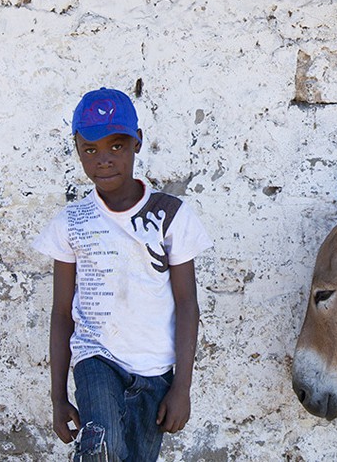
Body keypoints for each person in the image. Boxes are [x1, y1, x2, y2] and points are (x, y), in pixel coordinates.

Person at [33, 87, 213, 461]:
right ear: (77, 149)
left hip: (155, 370)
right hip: (96, 358)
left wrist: (182, 386)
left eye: (116, 146)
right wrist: (57, 397)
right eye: (90, 149)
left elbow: (187, 304)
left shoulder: (171, 216)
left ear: (138, 142)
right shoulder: (71, 223)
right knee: (102, 448)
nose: (104, 160)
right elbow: (62, 312)